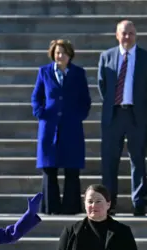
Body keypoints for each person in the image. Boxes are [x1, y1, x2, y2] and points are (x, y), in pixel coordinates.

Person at [31, 39, 91, 215]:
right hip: (50, 126)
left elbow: (85, 100)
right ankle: (51, 207)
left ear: (69, 54)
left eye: (63, 53)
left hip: (71, 126)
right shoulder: (44, 72)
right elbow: (37, 97)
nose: (60, 56)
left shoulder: (78, 73)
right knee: (50, 168)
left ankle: (71, 207)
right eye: (57, 52)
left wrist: (78, 116)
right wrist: (40, 113)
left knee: (72, 168)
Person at [98, 20, 147, 216]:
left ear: (135, 35)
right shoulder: (107, 56)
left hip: (137, 116)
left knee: (138, 160)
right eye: (124, 33)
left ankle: (139, 202)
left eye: (131, 33)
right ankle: (109, 203)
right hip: (114, 115)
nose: (127, 37)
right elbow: (102, 85)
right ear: (117, 35)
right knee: (110, 161)